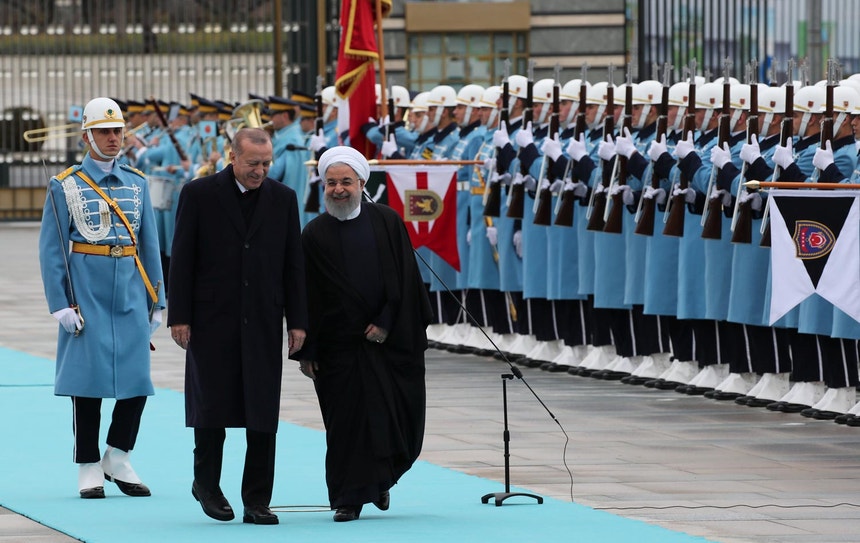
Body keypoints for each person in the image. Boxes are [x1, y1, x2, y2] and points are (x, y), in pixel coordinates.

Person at [167, 127, 308, 525]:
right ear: (233, 158)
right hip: (212, 319)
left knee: (262, 412)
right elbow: (182, 257)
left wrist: (298, 321)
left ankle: (257, 499)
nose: (259, 171)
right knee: (211, 407)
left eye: (266, 164)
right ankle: (206, 484)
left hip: (263, 319)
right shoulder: (199, 193)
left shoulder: (283, 198)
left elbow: (293, 264)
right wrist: (179, 315)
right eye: (252, 164)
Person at [295, 146, 433, 522]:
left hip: (389, 342)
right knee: (345, 425)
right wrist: (307, 350)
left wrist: (386, 322)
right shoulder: (313, 233)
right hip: (337, 347)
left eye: (346, 182)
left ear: (361, 184)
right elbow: (306, 295)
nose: (338, 189)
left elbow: (405, 279)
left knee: (395, 418)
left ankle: (381, 479)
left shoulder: (387, 221)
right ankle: (348, 498)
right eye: (331, 183)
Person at [39, 96, 165, 499]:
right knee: (87, 381)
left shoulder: (137, 182)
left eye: (117, 131)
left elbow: (149, 245)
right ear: (86, 137)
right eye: (104, 132)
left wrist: (158, 300)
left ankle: (119, 454)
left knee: (138, 379)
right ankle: (88, 463)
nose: (113, 138)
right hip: (87, 289)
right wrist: (60, 303)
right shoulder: (65, 184)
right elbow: (52, 249)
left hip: (129, 290)